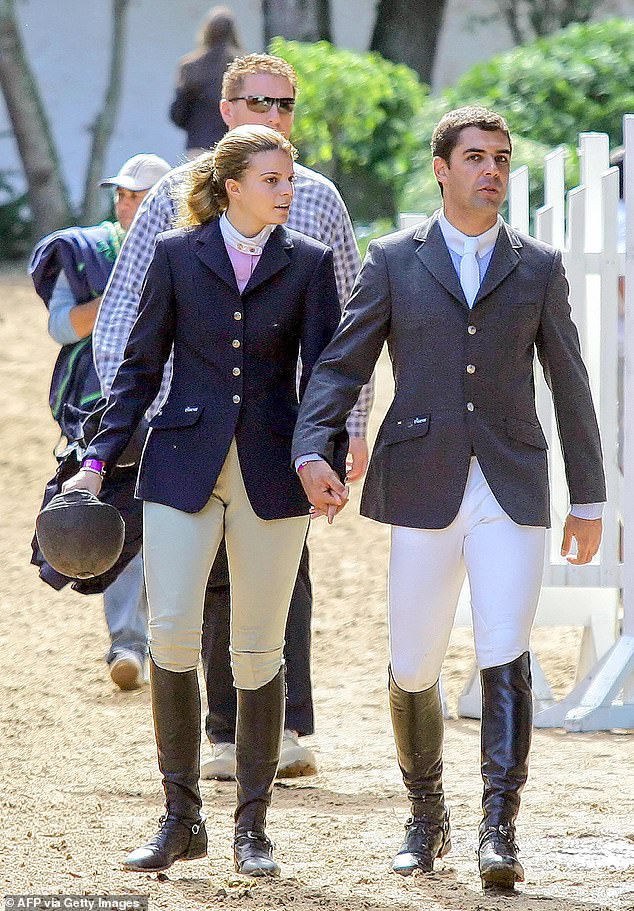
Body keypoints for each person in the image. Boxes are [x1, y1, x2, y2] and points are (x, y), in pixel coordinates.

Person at [291, 106, 606, 890]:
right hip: (421, 479)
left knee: (506, 643)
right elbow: (342, 362)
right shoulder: (395, 259)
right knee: (414, 658)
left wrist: (590, 499)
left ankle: (500, 826)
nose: (491, 170)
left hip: (510, 481)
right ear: (443, 167)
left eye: (500, 158)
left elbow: (570, 382)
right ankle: (426, 813)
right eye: (475, 157)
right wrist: (310, 444)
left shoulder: (537, 264)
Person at [62, 125, 342, 877]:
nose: (290, 189)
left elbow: (328, 379)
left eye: (289, 178)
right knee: (173, 633)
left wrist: (324, 455)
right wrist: (93, 461)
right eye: (276, 179)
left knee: (258, 647)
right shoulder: (175, 255)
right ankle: (180, 818)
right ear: (234, 186)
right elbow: (138, 369)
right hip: (181, 464)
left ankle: (253, 827)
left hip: (274, 471)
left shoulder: (309, 264)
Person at [92, 53, 373, 778]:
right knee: (199, 587)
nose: (272, 117)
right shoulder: (173, 202)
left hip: (282, 435)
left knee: (285, 581)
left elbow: (344, 339)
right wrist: (157, 419)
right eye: (259, 102)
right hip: (190, 429)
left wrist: (346, 432)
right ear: (225, 110)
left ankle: (285, 729)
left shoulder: (321, 203)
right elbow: (127, 315)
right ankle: (218, 739)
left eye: (284, 106)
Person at [29, 152, 171, 690]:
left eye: (141, 195)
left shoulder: (193, 247)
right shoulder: (86, 252)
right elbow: (63, 327)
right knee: (114, 519)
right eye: (123, 194)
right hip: (95, 409)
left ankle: (173, 641)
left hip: (174, 409)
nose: (129, 203)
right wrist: (123, 294)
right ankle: (127, 642)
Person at [169, 6, 243, 159]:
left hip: (198, 147)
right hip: (234, 146)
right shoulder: (241, 65)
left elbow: (177, 114)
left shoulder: (189, 66)